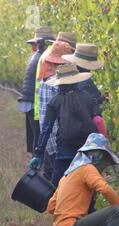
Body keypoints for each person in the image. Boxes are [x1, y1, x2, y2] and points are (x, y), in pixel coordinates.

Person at [29, 63, 99, 187]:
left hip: (64, 153)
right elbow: (98, 122)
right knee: (87, 187)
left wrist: (38, 154)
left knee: (60, 187)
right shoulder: (89, 98)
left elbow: (46, 129)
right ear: (77, 81)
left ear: (59, 83)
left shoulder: (54, 101)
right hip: (87, 152)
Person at [38, 41, 73, 181]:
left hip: (51, 139)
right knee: (62, 184)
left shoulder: (47, 80)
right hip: (57, 141)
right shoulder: (55, 83)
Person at [18, 26, 55, 153]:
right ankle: (36, 170)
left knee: (36, 139)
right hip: (33, 103)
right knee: (40, 141)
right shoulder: (43, 58)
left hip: (28, 102)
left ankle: (36, 168)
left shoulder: (35, 57)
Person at [62, 43, 108, 137]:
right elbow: (92, 110)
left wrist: (100, 99)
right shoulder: (84, 81)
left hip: (68, 131)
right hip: (84, 133)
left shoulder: (68, 76)